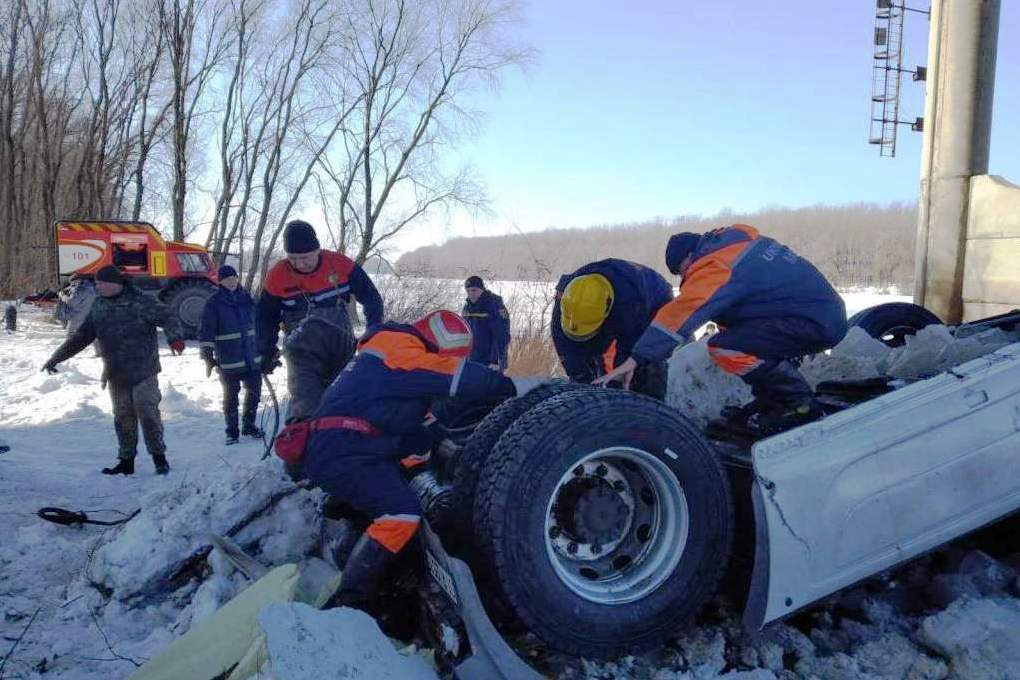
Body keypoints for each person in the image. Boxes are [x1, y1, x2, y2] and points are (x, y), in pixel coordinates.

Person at [303, 310, 546, 610]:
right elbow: (458, 377)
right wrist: (514, 386)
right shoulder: (402, 350)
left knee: (389, 488)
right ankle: (350, 602)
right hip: (345, 450)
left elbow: (421, 423)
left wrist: (446, 447)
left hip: (342, 445)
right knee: (401, 514)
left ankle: (348, 554)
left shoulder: (389, 353)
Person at [597, 224, 848, 434]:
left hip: (812, 321)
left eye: (682, 272)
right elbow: (746, 310)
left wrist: (637, 357)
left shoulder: (716, 265)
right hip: (819, 315)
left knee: (725, 347)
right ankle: (773, 400)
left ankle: (797, 403)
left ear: (689, 257)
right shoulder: (738, 247)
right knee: (737, 339)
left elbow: (684, 310)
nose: (685, 278)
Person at [42, 265, 185, 475]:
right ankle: (126, 462)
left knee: (147, 414)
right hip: (116, 373)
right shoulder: (99, 305)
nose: (98, 287)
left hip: (143, 370)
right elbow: (82, 335)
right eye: (97, 283)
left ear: (114, 283)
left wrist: (175, 338)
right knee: (123, 417)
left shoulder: (141, 301)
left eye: (101, 283)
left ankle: (159, 458)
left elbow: (168, 317)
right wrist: (56, 358)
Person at [256, 220, 384, 422]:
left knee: (345, 398)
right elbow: (265, 317)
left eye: (305, 257)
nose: (299, 264)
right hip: (301, 353)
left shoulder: (340, 265)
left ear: (317, 250)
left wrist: (373, 333)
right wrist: (265, 350)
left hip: (341, 346)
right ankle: (304, 434)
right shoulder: (277, 276)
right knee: (306, 404)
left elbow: (371, 298)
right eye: (293, 258)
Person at [552, 259, 674, 399]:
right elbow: (562, 341)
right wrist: (579, 376)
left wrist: (619, 386)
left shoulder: (629, 308)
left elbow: (629, 352)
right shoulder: (569, 297)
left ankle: (653, 402)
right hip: (614, 297)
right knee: (587, 365)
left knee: (643, 368)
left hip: (654, 301)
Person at [200, 265, 263, 445]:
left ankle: (249, 425)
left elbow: (259, 323)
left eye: (234, 278)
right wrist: (207, 355)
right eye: (227, 279)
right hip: (229, 360)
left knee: (255, 392)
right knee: (231, 397)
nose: (232, 281)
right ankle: (232, 432)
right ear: (220, 282)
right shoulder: (214, 303)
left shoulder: (247, 299)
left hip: (251, 358)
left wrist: (265, 348)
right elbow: (206, 330)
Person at [461, 275, 511, 370]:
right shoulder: (467, 308)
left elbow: (501, 335)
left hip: (490, 362)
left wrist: (495, 360)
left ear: (482, 289)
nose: (471, 294)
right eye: (468, 291)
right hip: (471, 361)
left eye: (474, 290)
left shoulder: (494, 305)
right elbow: (463, 334)